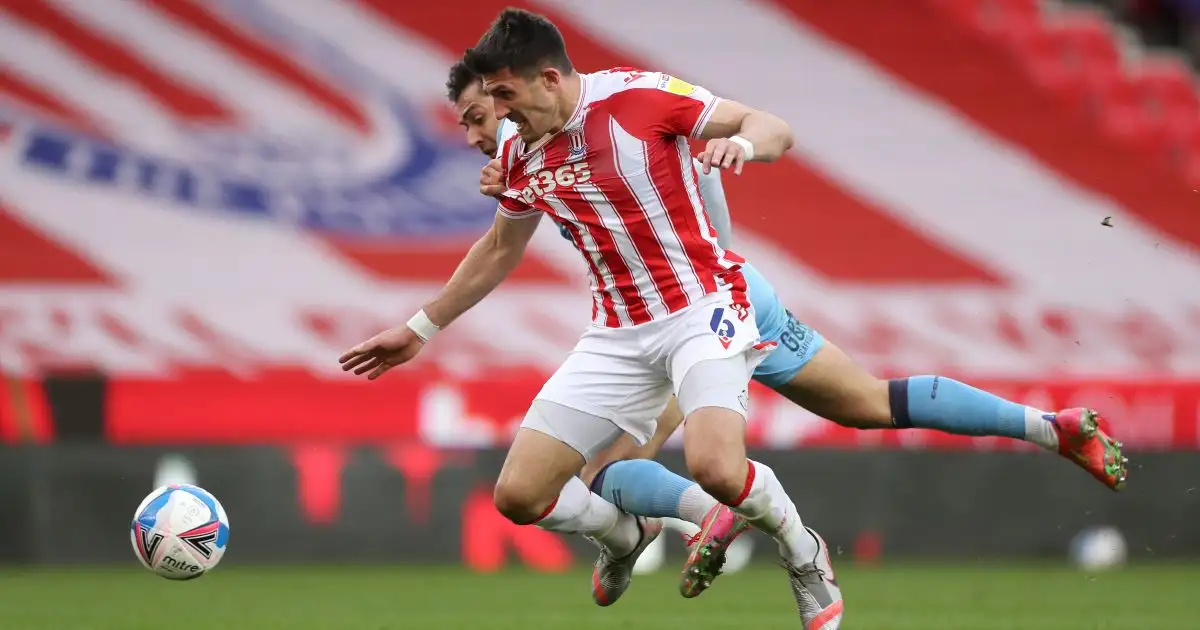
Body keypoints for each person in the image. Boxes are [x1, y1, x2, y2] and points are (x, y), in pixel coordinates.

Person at [342, 8, 844, 629]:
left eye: (505, 95)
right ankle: (623, 536)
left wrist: (741, 143)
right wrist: (418, 330)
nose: (499, 113)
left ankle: (804, 554)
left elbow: (771, 126)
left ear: (548, 80)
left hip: (702, 308)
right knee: (521, 496)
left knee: (716, 467)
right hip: (617, 333)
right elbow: (500, 248)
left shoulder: (638, 98)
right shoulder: (519, 150)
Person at [448, 62, 1130, 499]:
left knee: (616, 469)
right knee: (868, 402)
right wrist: (509, 178)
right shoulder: (534, 152)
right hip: (730, 299)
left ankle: (689, 530)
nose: (489, 128)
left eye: (490, 112)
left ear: (536, 85)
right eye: (482, 119)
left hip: (695, 310)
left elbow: (749, 130)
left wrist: (745, 142)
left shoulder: (622, 115)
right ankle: (1050, 427)